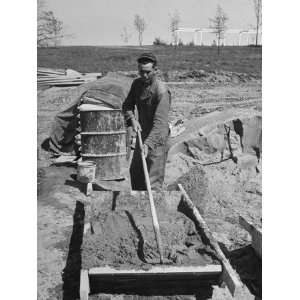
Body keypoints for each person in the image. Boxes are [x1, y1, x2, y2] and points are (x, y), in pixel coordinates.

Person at [122, 53, 171, 190]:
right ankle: (139, 205)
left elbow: (160, 123)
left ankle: (154, 205)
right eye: (141, 72)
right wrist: (132, 119)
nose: (144, 76)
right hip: (142, 134)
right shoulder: (137, 84)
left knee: (153, 179)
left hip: (157, 139)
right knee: (136, 172)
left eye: (148, 72)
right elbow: (127, 105)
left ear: (156, 70)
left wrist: (148, 145)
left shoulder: (161, 91)